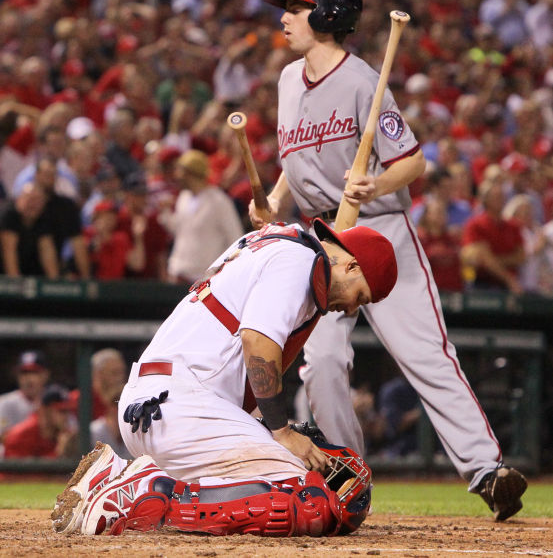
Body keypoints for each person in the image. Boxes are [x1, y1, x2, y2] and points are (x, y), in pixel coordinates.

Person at [249, 0, 527, 521]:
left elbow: (413, 161)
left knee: (423, 352)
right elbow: (293, 158)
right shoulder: (285, 81)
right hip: (322, 240)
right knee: (321, 360)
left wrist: (376, 181)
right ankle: (348, 473)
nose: (283, 18)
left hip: (379, 230)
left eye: (295, 8)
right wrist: (276, 200)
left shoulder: (361, 81)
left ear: (325, 14)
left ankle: (485, 470)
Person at [52, 217, 397, 537]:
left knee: (299, 481)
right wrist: (280, 431)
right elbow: (257, 342)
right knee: (307, 499)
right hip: (178, 407)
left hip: (168, 406)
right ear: (352, 265)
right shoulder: (299, 260)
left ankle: (149, 484)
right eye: (360, 297)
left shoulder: (282, 244)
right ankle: (140, 493)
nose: (352, 309)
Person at [159, 149, 244, 286]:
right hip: (178, 274)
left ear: (191, 173)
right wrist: (165, 213)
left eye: (180, 171)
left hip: (204, 279)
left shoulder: (219, 200)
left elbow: (235, 239)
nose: (176, 176)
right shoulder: (184, 197)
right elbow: (180, 231)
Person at [3, 383, 78, 459]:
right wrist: (57, 453)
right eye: (61, 411)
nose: (66, 417)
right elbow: (19, 470)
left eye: (67, 411)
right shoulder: (20, 436)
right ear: (45, 411)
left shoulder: (65, 435)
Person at [0, 350, 50, 442]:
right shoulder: (5, 403)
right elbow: (2, 438)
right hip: (14, 453)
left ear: (45, 375)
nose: (29, 378)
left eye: (34, 372)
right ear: (17, 376)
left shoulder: (55, 401)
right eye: (24, 373)